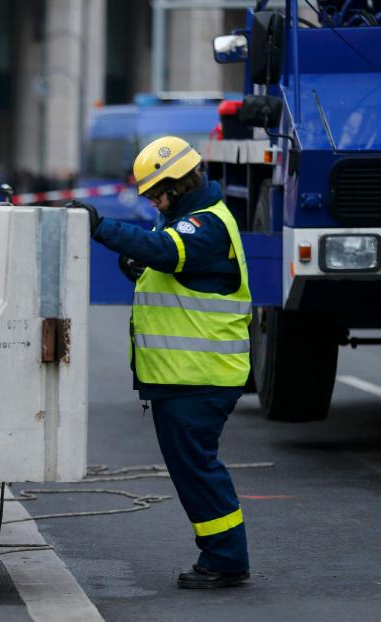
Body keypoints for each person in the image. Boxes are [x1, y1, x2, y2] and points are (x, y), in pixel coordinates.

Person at [68, 136, 252, 589]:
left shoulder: (205, 224)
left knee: (198, 469)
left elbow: (169, 252)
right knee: (194, 468)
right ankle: (223, 555)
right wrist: (138, 263)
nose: (151, 201)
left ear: (180, 183)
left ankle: (226, 559)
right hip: (185, 377)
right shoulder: (187, 219)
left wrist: (99, 226)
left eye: (155, 192)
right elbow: (168, 265)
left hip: (199, 378)